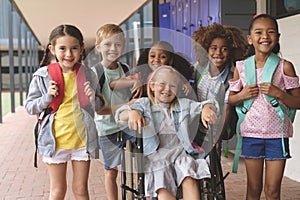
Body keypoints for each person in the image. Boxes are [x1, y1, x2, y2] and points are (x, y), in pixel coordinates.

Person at [25, 24, 104, 199]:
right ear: (52, 49)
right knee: (58, 191)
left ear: (82, 48)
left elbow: (100, 108)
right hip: (55, 142)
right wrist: (47, 97)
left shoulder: (88, 74)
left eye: (74, 48)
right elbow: (30, 107)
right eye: (63, 48)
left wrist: (93, 98)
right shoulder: (43, 75)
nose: (68, 54)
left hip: (82, 141)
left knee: (81, 190)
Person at [115, 66, 218, 199]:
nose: (167, 89)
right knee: (161, 179)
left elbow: (208, 103)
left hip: (179, 153)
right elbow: (119, 115)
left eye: (172, 86)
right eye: (162, 84)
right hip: (156, 156)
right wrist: (131, 113)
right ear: (152, 86)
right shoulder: (144, 104)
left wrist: (206, 108)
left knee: (189, 176)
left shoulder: (183, 105)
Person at [228, 14, 300, 199]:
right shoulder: (242, 67)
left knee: (272, 191)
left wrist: (280, 94)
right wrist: (242, 95)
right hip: (251, 134)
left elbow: (298, 102)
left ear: (277, 37)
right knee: (253, 189)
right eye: (259, 32)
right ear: (250, 39)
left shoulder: (285, 67)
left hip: (278, 136)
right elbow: (230, 99)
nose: (265, 36)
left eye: (270, 32)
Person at [92, 24, 141, 200]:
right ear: (98, 47)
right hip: (107, 128)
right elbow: (100, 108)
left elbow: (131, 91)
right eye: (108, 44)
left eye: (118, 44)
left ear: (124, 47)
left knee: (145, 159)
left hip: (128, 124)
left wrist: (136, 85)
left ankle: (143, 190)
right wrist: (128, 103)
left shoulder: (125, 68)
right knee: (111, 171)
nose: (113, 48)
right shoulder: (96, 72)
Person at [192, 22, 247, 152]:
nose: (218, 53)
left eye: (224, 49)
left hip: (215, 128)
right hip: (193, 126)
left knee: (212, 166)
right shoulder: (197, 69)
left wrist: (216, 138)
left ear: (231, 51)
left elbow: (227, 109)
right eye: (213, 48)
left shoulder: (232, 77)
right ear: (206, 49)